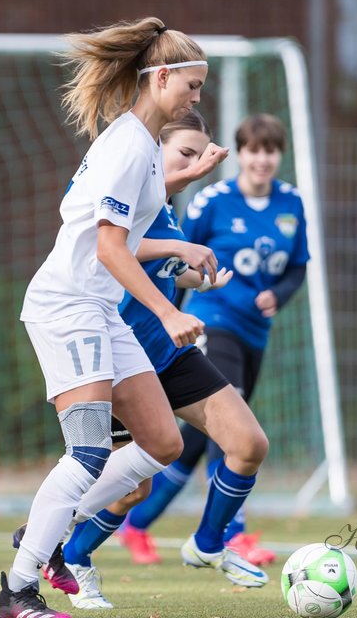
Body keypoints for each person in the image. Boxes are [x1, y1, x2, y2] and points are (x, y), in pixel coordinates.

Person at [0, 17, 209, 618]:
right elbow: (109, 250)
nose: (197, 98)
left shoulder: (139, 147)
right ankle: (16, 590)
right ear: (161, 77)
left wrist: (180, 184)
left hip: (97, 312)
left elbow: (118, 233)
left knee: (163, 441)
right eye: (191, 86)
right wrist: (169, 314)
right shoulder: (126, 145)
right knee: (86, 452)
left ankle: (51, 533)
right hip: (68, 308)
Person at [56, 110, 272, 610]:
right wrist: (179, 247)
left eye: (202, 155)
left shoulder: (168, 206)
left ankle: (208, 544)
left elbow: (170, 266)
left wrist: (199, 274)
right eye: (185, 153)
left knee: (248, 444)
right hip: (122, 357)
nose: (195, 164)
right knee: (133, 488)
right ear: (156, 155)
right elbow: (117, 246)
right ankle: (73, 555)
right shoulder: (126, 192)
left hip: (168, 354)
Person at [120, 113, 309, 568]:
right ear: (239, 155)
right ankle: (229, 536)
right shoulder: (212, 201)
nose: (261, 159)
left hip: (254, 333)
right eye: (253, 150)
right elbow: (173, 257)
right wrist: (174, 313)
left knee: (204, 439)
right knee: (232, 433)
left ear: (279, 155)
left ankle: (138, 523)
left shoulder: (292, 204)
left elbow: (298, 265)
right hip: (210, 322)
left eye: (270, 150)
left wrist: (278, 295)